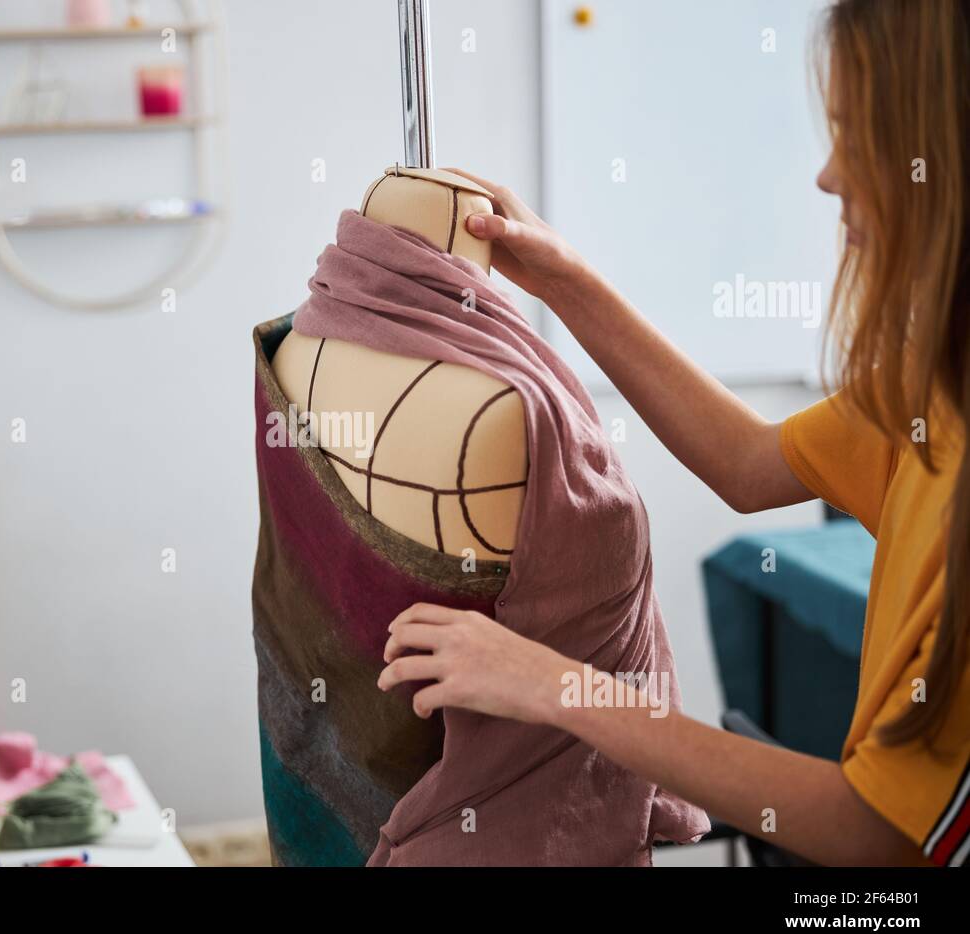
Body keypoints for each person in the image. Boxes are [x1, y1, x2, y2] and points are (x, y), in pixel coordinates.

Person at [379, 0, 970, 866]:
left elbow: (877, 835)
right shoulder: (933, 390)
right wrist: (568, 282)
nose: (829, 175)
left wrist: (555, 686)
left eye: (858, 133)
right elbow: (750, 462)